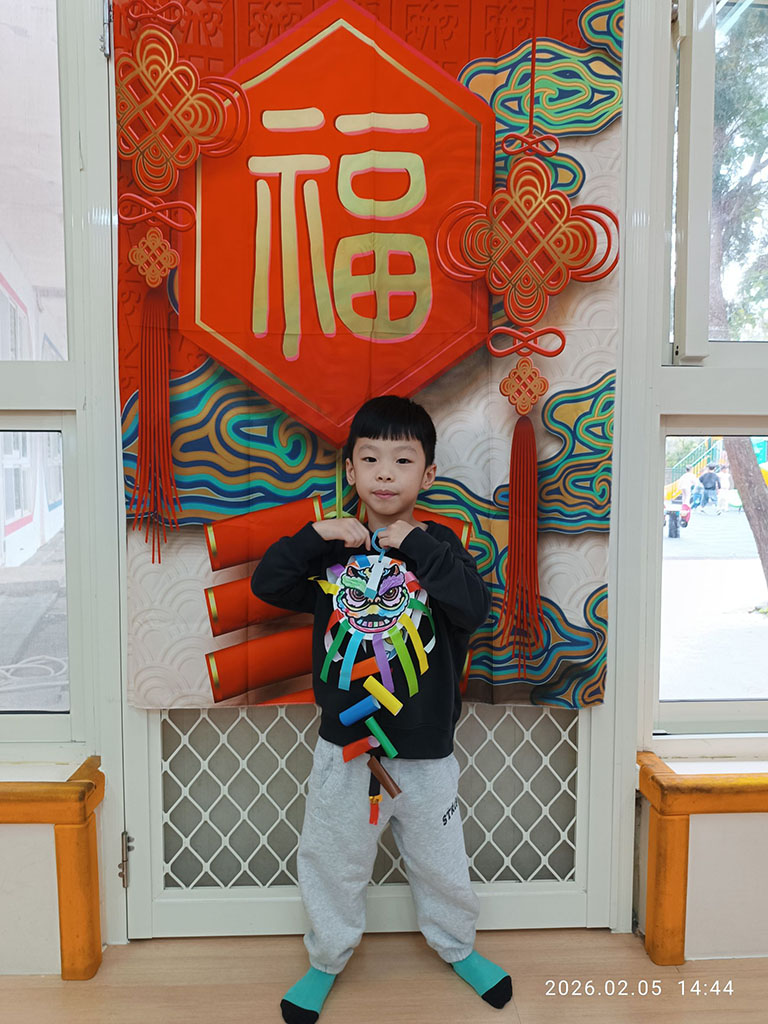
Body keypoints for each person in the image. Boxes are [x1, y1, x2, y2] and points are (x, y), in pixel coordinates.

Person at [251, 395, 511, 1023]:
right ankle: (326, 959)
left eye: (402, 459)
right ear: (351, 471)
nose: (385, 473)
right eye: (370, 459)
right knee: (332, 860)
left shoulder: (440, 545)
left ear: (428, 473)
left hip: (425, 750)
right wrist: (316, 535)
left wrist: (418, 546)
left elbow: (473, 609)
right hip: (346, 748)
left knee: (441, 863)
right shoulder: (331, 551)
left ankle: (457, 946)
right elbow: (267, 585)